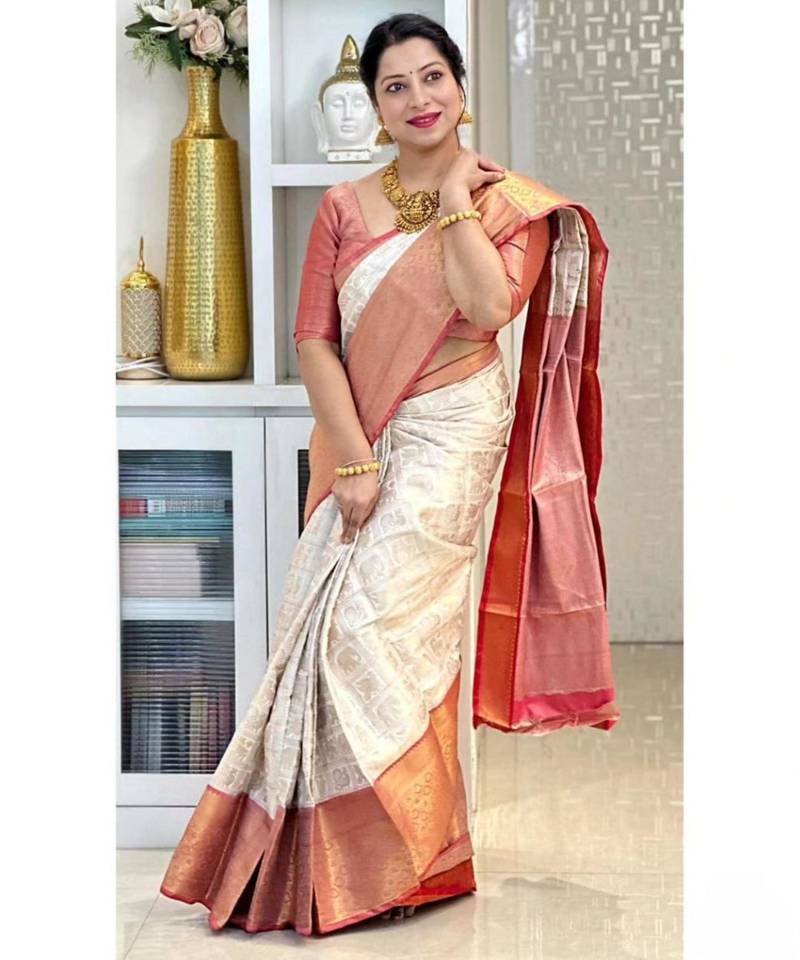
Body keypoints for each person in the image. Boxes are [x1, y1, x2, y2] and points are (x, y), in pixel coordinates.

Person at [159, 12, 619, 937]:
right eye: (395, 86)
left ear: (460, 87)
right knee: (330, 634)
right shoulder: (343, 205)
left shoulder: (508, 204)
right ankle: (353, 864)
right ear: (374, 106)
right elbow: (313, 340)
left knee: (388, 635)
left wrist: (452, 201)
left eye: (432, 77)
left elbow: (488, 305)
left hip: (456, 432)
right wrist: (356, 458)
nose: (418, 98)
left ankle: (404, 860)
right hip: (362, 434)